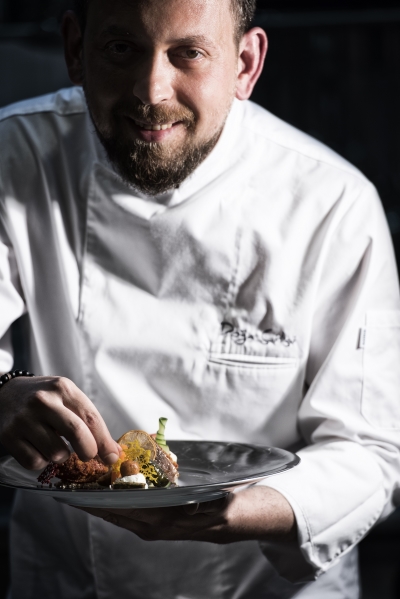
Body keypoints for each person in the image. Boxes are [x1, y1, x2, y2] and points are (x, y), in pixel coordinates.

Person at [0, 0, 399, 597]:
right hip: (72, 579)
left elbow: (371, 448)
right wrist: (3, 391)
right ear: (76, 49)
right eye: (121, 49)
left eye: (188, 53)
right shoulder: (16, 155)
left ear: (245, 63)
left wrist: (246, 510)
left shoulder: (332, 205)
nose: (151, 90)